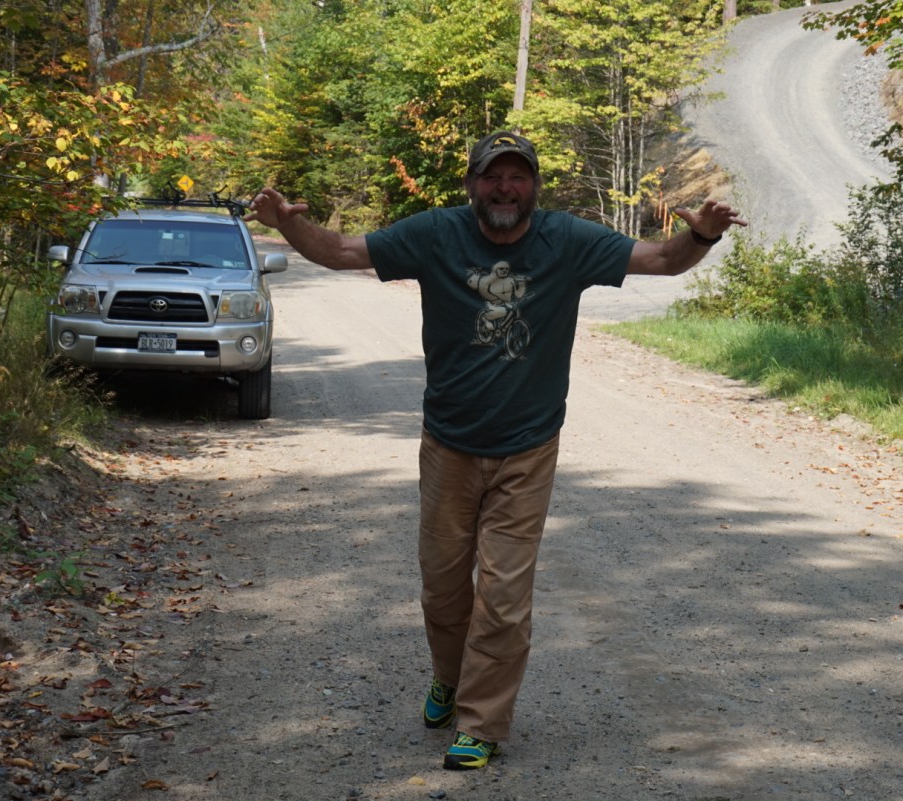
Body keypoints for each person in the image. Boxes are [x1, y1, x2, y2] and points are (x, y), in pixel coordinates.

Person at [244, 131, 746, 770]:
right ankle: (448, 679)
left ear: (534, 185)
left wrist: (700, 235)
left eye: (517, 177)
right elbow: (343, 252)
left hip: (527, 448)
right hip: (448, 444)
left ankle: (481, 722)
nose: (505, 188)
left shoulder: (568, 240)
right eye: (492, 177)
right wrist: (291, 226)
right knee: (442, 590)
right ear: (472, 184)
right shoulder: (436, 233)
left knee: (504, 595)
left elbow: (662, 261)